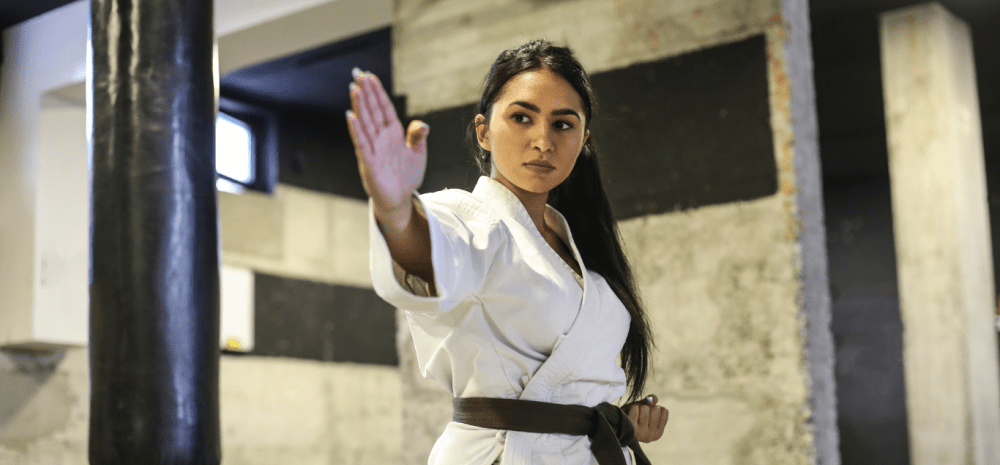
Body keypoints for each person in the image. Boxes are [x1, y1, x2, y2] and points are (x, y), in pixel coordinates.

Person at [346, 40, 668, 465]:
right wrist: (395, 211)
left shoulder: (577, 243)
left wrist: (617, 416)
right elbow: (428, 251)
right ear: (484, 130)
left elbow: (568, 382)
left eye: (563, 125)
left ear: (584, 138)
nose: (542, 141)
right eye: (521, 117)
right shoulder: (468, 217)